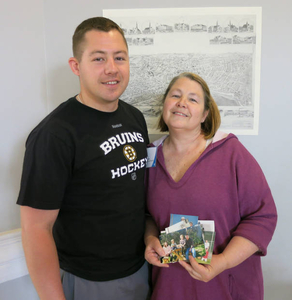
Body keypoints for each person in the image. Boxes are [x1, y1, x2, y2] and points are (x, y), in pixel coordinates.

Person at [17, 17, 150, 300]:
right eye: (98, 58)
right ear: (76, 66)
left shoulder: (135, 118)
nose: (111, 68)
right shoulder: (54, 135)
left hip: (142, 268)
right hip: (90, 280)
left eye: (119, 57)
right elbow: (36, 228)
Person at [144, 72, 277, 300]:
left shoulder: (230, 152)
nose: (181, 103)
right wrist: (150, 239)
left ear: (205, 114)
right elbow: (146, 215)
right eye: (175, 95)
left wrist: (222, 262)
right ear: (165, 104)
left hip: (224, 285)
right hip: (169, 286)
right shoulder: (150, 157)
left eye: (193, 99)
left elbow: (262, 217)